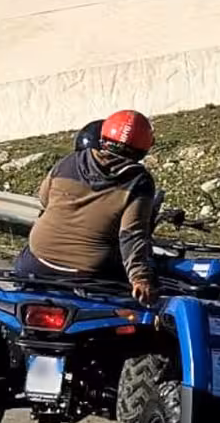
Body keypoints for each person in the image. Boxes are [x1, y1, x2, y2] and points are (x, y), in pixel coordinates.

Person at [15, 110, 160, 304]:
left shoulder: (69, 162)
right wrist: (140, 279)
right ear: (144, 147)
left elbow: (44, 199)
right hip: (90, 272)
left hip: (37, 261)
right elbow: (131, 234)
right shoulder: (139, 181)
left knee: (19, 273)